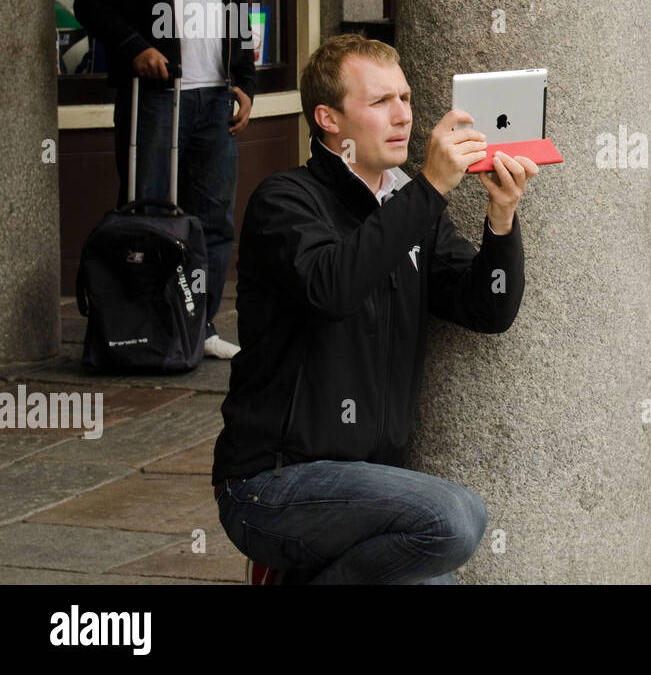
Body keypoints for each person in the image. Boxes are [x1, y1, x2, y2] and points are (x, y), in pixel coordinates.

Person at [212, 34, 538, 584]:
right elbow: (333, 288)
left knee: (436, 571)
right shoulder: (284, 202)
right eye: (380, 102)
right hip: (272, 484)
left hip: (370, 488)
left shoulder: (410, 204)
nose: (403, 116)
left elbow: (489, 309)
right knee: (456, 519)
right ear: (328, 119)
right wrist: (430, 188)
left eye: (406, 99)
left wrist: (501, 220)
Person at [75, 0, 256, 360]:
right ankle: (145, 328)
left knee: (214, 221)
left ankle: (198, 326)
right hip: (155, 96)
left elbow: (237, 5)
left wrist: (244, 81)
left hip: (214, 94)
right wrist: (135, 47)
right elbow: (91, 4)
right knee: (146, 215)